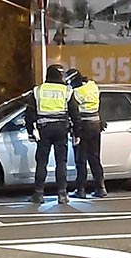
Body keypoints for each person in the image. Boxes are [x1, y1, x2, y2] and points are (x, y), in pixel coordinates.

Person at [25, 64, 81, 204]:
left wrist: (30, 131)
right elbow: (75, 113)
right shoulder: (67, 91)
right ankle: (62, 194)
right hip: (61, 128)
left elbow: (29, 113)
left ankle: (38, 194)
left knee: (42, 161)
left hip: (44, 129)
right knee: (61, 162)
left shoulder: (38, 90)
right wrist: (77, 133)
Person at [65, 68, 107, 198]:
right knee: (95, 158)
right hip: (95, 124)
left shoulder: (75, 93)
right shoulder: (93, 86)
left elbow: (74, 113)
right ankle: (101, 188)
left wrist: (75, 132)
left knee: (80, 160)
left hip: (83, 127)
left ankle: (81, 190)